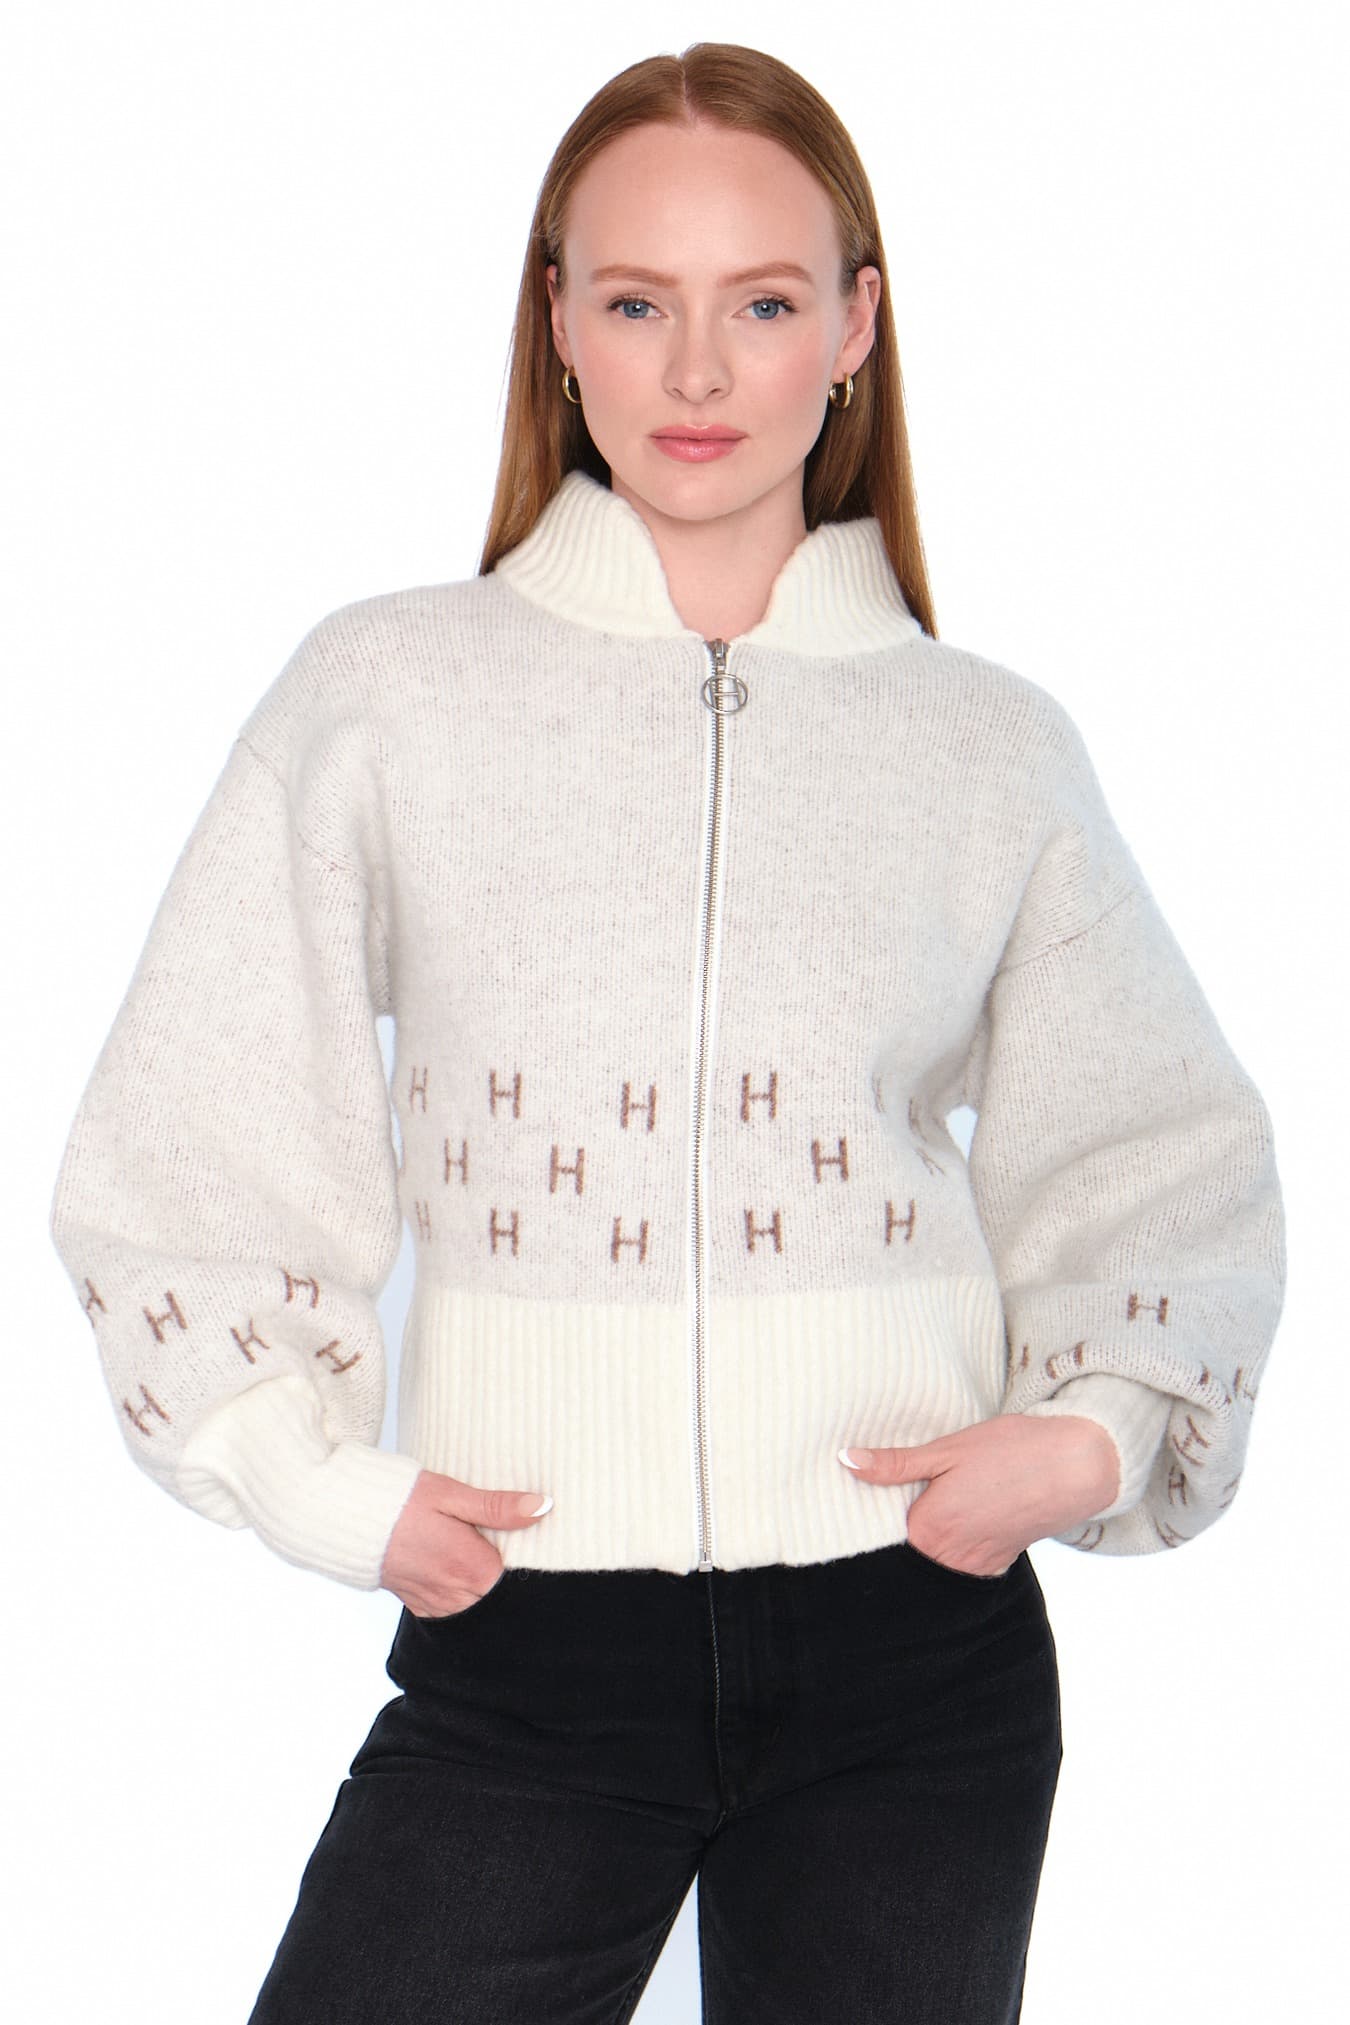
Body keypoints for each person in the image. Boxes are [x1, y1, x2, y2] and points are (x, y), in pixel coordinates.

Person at [48, 39, 1286, 2025]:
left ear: (855, 327)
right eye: (637, 303)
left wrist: (1093, 1430)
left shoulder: (986, 746)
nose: (697, 372)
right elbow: (191, 1130)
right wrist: (309, 1476)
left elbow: (1159, 1148)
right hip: (527, 1638)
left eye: (763, 304)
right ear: (556, 323)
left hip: (917, 1649)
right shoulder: (386, 696)